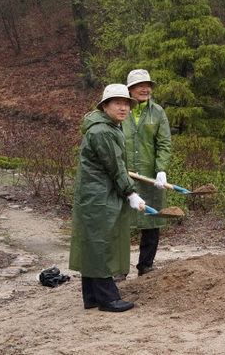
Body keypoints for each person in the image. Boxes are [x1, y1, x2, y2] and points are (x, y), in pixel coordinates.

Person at [69, 84, 146, 312]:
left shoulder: (109, 127)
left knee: (94, 243)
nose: (123, 108)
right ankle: (107, 299)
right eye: (117, 103)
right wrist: (130, 192)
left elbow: (114, 163)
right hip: (99, 195)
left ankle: (92, 297)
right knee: (101, 243)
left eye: (126, 104)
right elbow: (114, 167)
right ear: (105, 106)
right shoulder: (102, 131)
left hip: (96, 193)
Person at [123, 69, 172, 278]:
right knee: (120, 221)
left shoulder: (157, 112)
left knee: (151, 220)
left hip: (150, 175)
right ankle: (118, 269)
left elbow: (164, 143)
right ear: (129, 89)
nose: (145, 88)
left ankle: (146, 265)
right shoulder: (120, 110)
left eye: (148, 85)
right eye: (140, 85)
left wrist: (161, 169)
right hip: (122, 175)